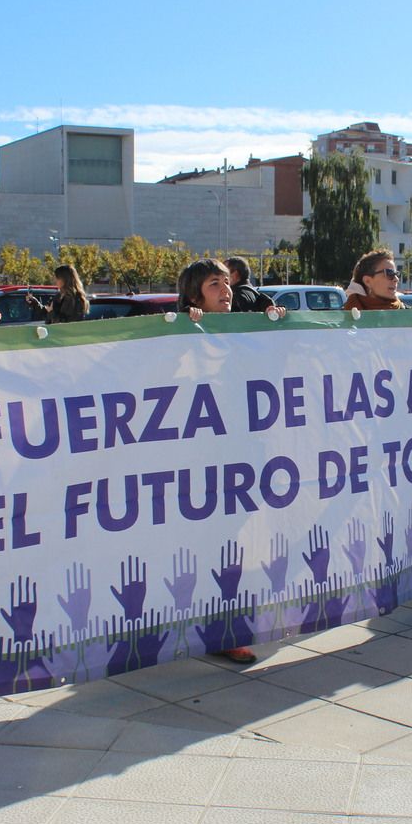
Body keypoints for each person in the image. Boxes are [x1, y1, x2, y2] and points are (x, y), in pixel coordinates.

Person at [176, 257, 278, 664]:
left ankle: (223, 627)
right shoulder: (179, 331)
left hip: (240, 460)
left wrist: (279, 326)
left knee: (229, 547)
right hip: (199, 464)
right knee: (208, 547)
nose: (226, 290)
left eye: (226, 282)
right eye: (214, 284)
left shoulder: (245, 329)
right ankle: (209, 625)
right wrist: (187, 329)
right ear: (194, 295)